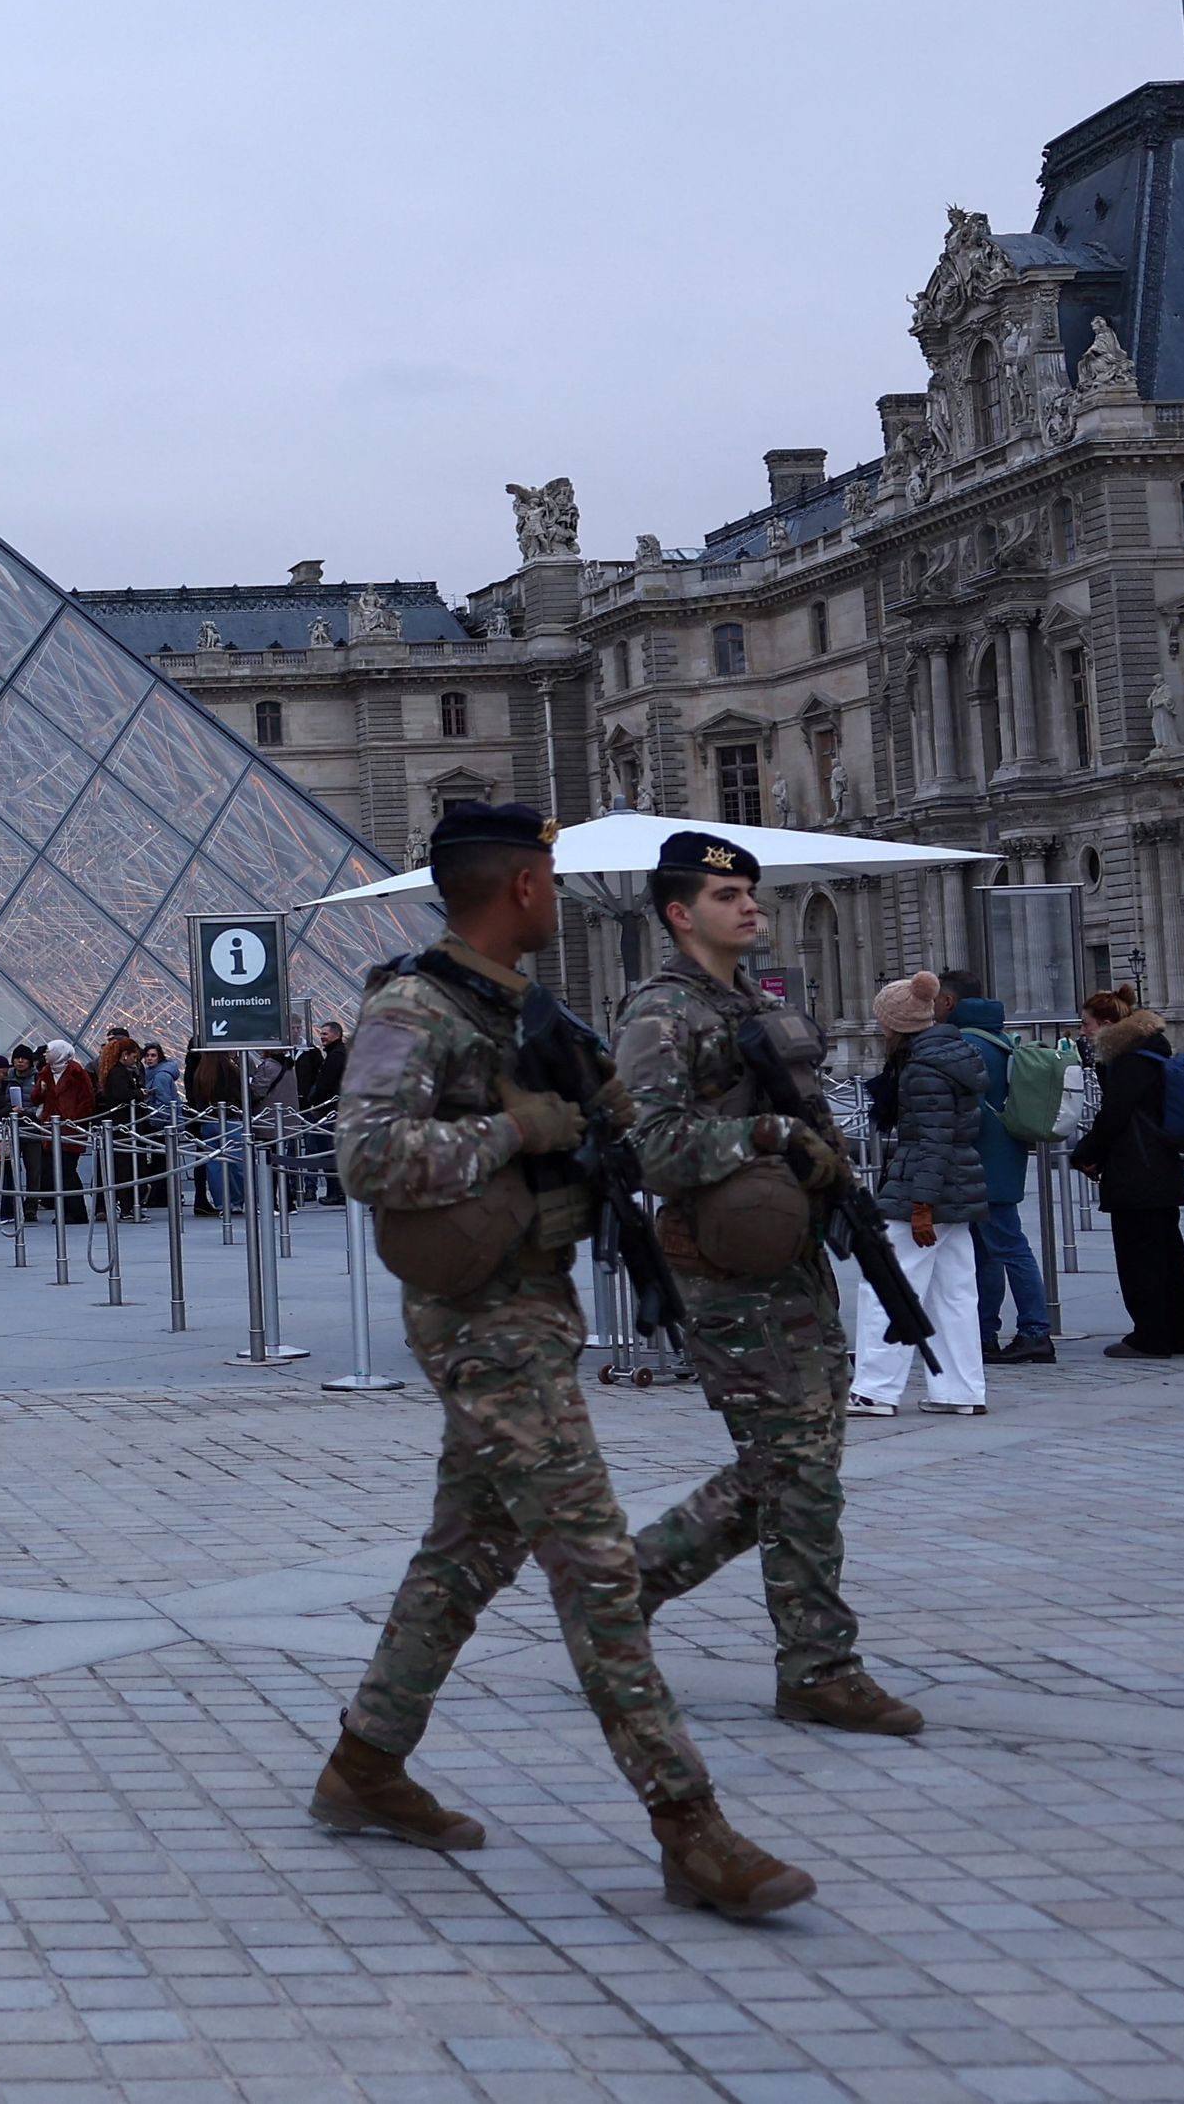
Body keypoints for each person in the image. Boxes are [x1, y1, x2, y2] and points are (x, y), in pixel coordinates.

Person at [322, 805, 810, 1917]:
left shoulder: (526, 1012)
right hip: (479, 1325)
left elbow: (629, 1122)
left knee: (465, 1552)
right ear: (525, 888)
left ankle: (364, 1763)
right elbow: (365, 1155)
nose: (554, 888)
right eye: (547, 873)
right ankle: (689, 1827)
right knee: (594, 1567)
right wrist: (513, 1133)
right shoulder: (415, 1006)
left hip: (532, 1307)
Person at [616, 829, 924, 1741]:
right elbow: (648, 1144)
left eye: (752, 890)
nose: (750, 904)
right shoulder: (661, 1010)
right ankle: (820, 1665)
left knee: (797, 1465)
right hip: (724, 1273)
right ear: (680, 912)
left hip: (790, 1262)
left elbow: (808, 1121)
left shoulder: (756, 1002)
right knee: (798, 1470)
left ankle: (623, 1587)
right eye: (727, 895)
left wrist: (836, 1179)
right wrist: (764, 1142)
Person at [851, 975, 988, 1416]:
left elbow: (932, 1139)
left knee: (886, 1286)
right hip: (956, 1184)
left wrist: (922, 1204)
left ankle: (875, 1388)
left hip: (921, 1186)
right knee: (954, 1294)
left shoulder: (924, 1068)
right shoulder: (951, 1054)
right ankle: (960, 1390)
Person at [1071, 988, 1184, 1355]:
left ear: (1109, 1025)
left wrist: (1086, 1152)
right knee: (1168, 1253)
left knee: (1139, 1257)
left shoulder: (1129, 1062)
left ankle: (1152, 1334)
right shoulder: (1150, 1052)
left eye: (1087, 1024)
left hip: (1137, 1169)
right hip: (1159, 1165)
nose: (1083, 1032)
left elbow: (1114, 1116)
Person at [944, 980, 1056, 1365]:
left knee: (1006, 1247)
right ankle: (985, 1330)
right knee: (988, 1250)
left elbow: (960, 1108)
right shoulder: (1002, 1044)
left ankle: (1032, 1330)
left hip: (981, 1162)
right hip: (1003, 1157)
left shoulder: (968, 1048)